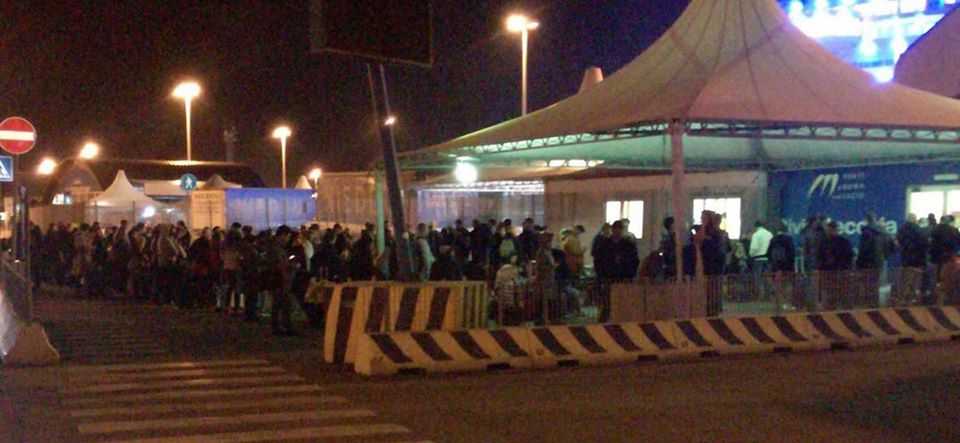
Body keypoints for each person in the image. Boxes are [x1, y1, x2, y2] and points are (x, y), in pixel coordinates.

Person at [265, 226, 297, 336]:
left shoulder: (275, 247)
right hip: (279, 279)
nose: (288, 239)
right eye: (287, 236)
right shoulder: (276, 249)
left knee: (279, 303)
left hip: (278, 278)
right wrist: (290, 266)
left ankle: (279, 326)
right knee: (281, 303)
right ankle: (282, 327)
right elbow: (279, 265)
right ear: (283, 235)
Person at [817, 221, 854, 309]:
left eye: (832, 229)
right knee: (831, 292)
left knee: (839, 292)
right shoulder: (825, 242)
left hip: (839, 271)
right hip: (829, 272)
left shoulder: (842, 241)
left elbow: (849, 256)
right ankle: (832, 307)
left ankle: (840, 307)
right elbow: (820, 256)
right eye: (829, 230)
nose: (830, 232)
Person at [896, 214, 929, 305]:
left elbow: (898, 243)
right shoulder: (920, 230)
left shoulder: (901, 229)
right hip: (918, 260)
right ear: (915, 219)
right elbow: (925, 244)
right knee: (916, 281)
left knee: (905, 280)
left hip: (906, 259)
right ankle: (913, 299)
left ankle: (903, 299)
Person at [749, 221, 773, 300]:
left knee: (758, 278)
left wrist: (751, 254)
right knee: (768, 277)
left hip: (758, 259)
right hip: (768, 258)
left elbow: (754, 248)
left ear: (755, 227)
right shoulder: (770, 234)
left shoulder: (756, 235)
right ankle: (768, 295)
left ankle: (760, 296)